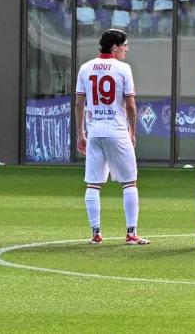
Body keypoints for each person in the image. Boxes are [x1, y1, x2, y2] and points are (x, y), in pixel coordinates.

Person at [74, 29, 148, 245]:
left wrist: (81, 133)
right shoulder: (123, 69)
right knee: (129, 182)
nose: (127, 48)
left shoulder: (85, 68)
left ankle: (96, 234)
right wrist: (132, 132)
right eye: (124, 45)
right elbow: (131, 105)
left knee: (93, 184)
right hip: (116, 130)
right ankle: (131, 233)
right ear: (114, 47)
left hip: (95, 131)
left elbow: (80, 104)